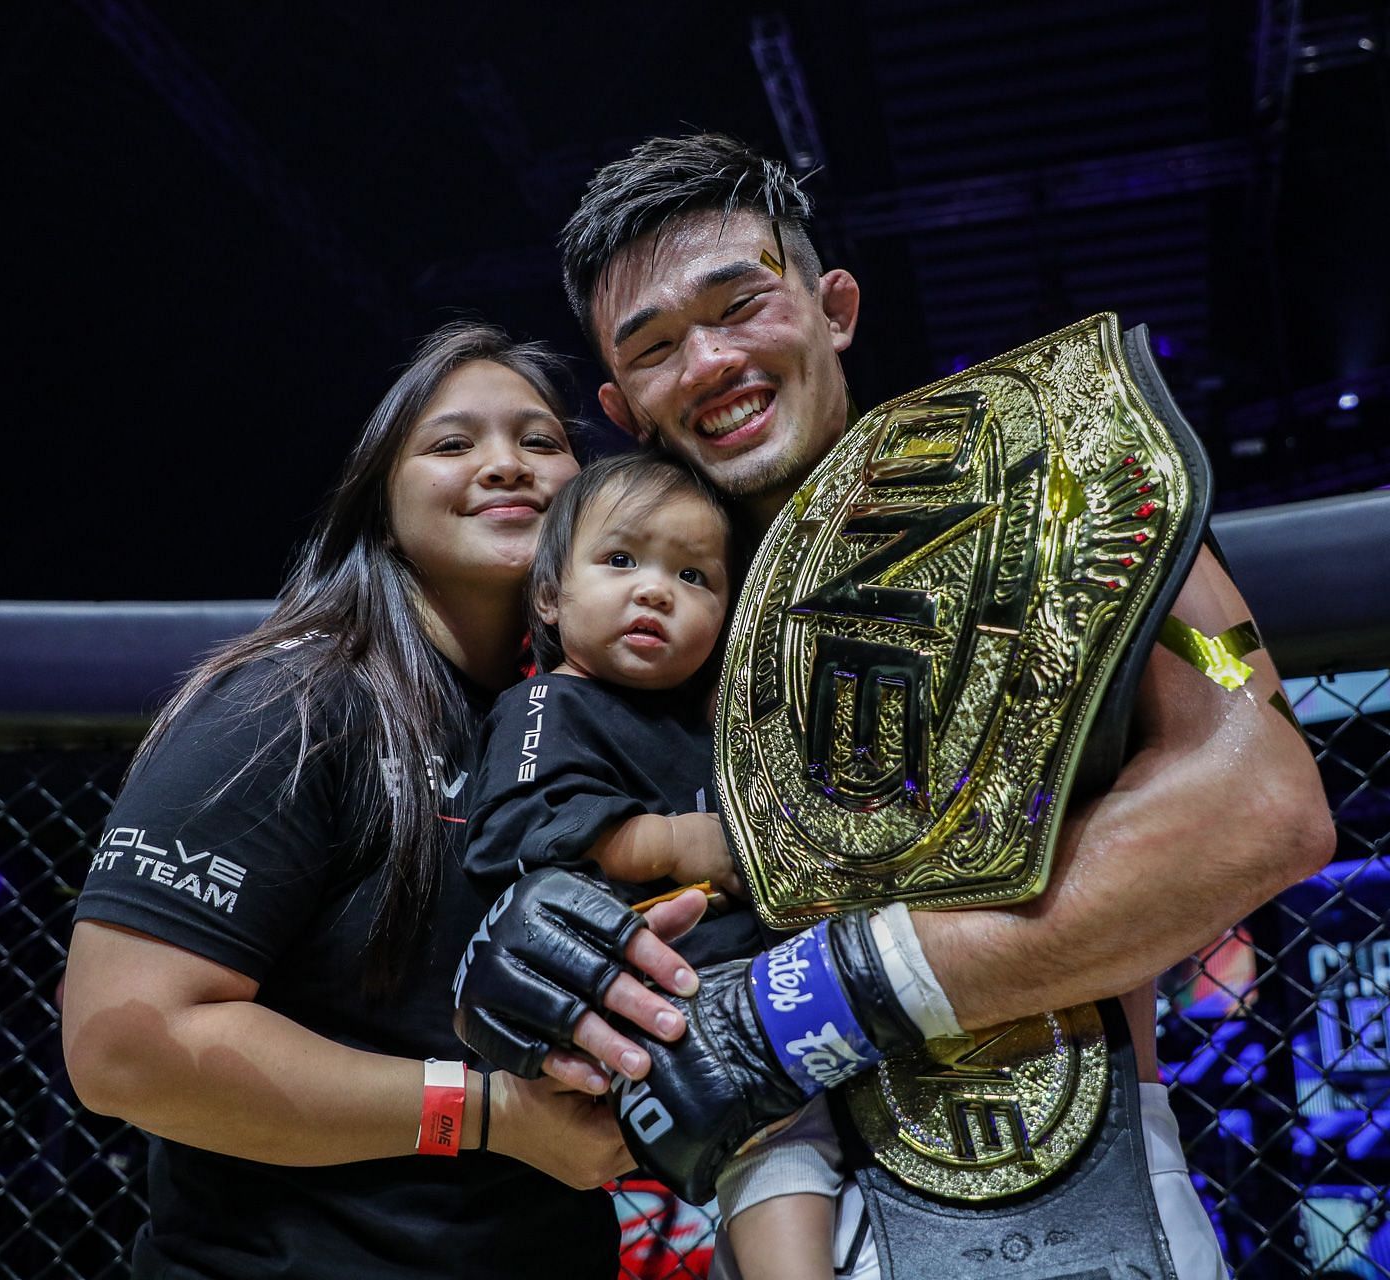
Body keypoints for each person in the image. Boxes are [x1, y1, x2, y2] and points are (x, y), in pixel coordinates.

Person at [452, 135, 1337, 1279]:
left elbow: (1262, 805)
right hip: (757, 1208)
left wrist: (801, 1001)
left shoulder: (1054, 469)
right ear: (624, 406)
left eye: (741, 304)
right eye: (660, 345)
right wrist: (535, 953)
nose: (712, 360)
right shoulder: (639, 639)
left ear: (835, 308)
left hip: (1064, 1180)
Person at [60, 322, 647, 1279]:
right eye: (452, 444)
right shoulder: (292, 703)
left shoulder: (579, 732)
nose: (506, 464)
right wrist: (490, 1116)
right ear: (380, 510)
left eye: (541, 441)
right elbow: (127, 1046)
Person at [462, 450, 838, 1279]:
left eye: (695, 576)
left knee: (791, 1155)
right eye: (621, 560)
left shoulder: (708, 723)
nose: (656, 589)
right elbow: (523, 829)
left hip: (763, 998)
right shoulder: (547, 702)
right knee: (769, 1155)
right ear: (552, 595)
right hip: (654, 1023)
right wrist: (679, 843)